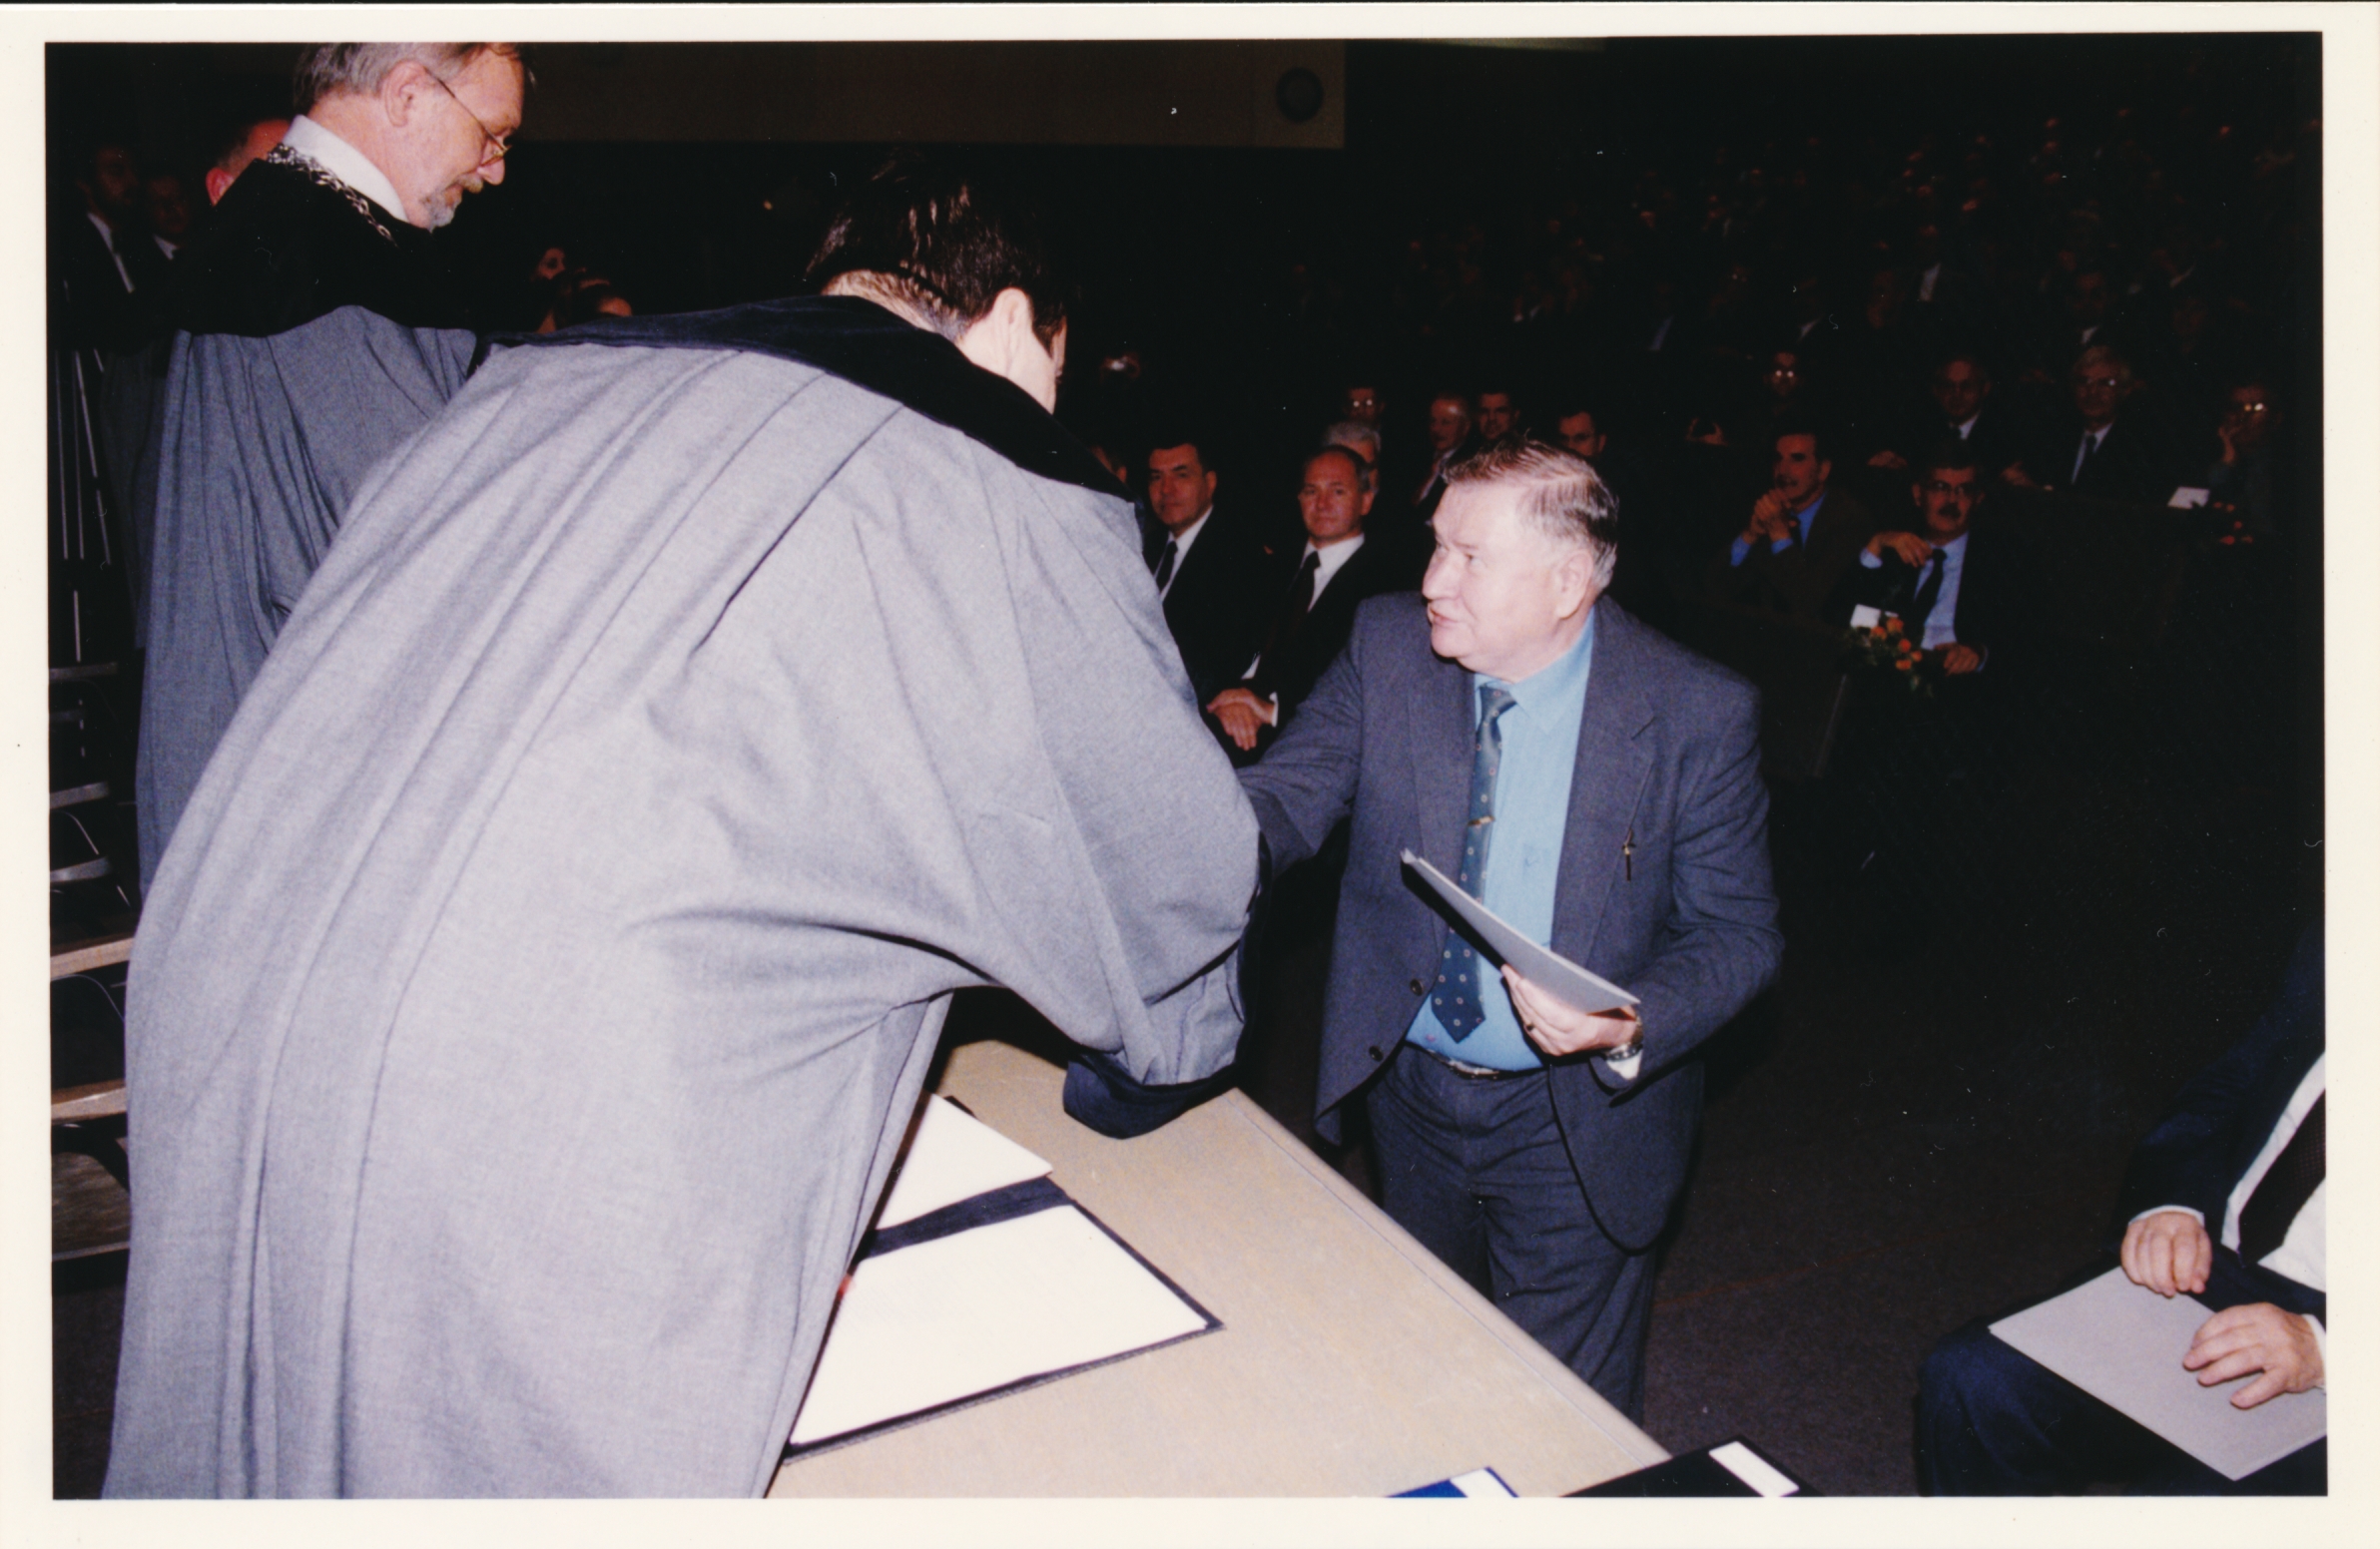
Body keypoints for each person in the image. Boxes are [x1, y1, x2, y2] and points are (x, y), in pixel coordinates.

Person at [105, 155, 1258, 1498]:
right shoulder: (986, 461)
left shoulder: (526, 389)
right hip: (526, 1141)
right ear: (1012, 326)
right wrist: (1146, 1063)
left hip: (224, 1019)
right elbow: (1168, 899)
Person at [1238, 439, 1782, 1418]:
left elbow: (1738, 934)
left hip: (1576, 1117)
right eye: (1435, 545)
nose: (1431, 580)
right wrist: (1173, 842)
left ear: (1567, 582)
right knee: (1427, 1363)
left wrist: (1626, 1018)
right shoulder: (1387, 645)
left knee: (1560, 1411)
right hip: (1409, 1091)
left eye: (1469, 557)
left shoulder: (1692, 713)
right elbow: (1282, 799)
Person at [134, 41, 524, 888]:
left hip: (247, 745)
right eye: (492, 133)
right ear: (409, 93)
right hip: (299, 800)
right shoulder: (321, 266)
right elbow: (428, 555)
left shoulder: (289, 227)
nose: (494, 169)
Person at [1917, 922, 2325, 1494]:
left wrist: (2322, 1348)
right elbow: (2234, 1081)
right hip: (2218, 1264)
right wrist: (2173, 1201)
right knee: (1975, 1380)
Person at [1204, 444, 1399, 764]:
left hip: (1304, 743)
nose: (1322, 504)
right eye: (1311, 491)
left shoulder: (1384, 590)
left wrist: (1272, 710)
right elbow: (1220, 647)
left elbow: (1364, 700)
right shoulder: (1269, 564)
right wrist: (1226, 700)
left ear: (1366, 501)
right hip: (1227, 715)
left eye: (1337, 491)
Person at [1146, 431, 1271, 706]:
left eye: (1181, 475)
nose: (1166, 489)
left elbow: (1227, 664)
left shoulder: (1239, 557)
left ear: (1210, 483)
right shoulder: (1142, 547)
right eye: (1156, 477)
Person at [1705, 424, 1876, 622]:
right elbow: (1714, 588)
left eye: (1797, 459)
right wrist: (1749, 536)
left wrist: (1780, 535)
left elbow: (1810, 603)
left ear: (1823, 470)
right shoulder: (1771, 508)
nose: (1782, 470)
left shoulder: (1849, 519)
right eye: (1778, 459)